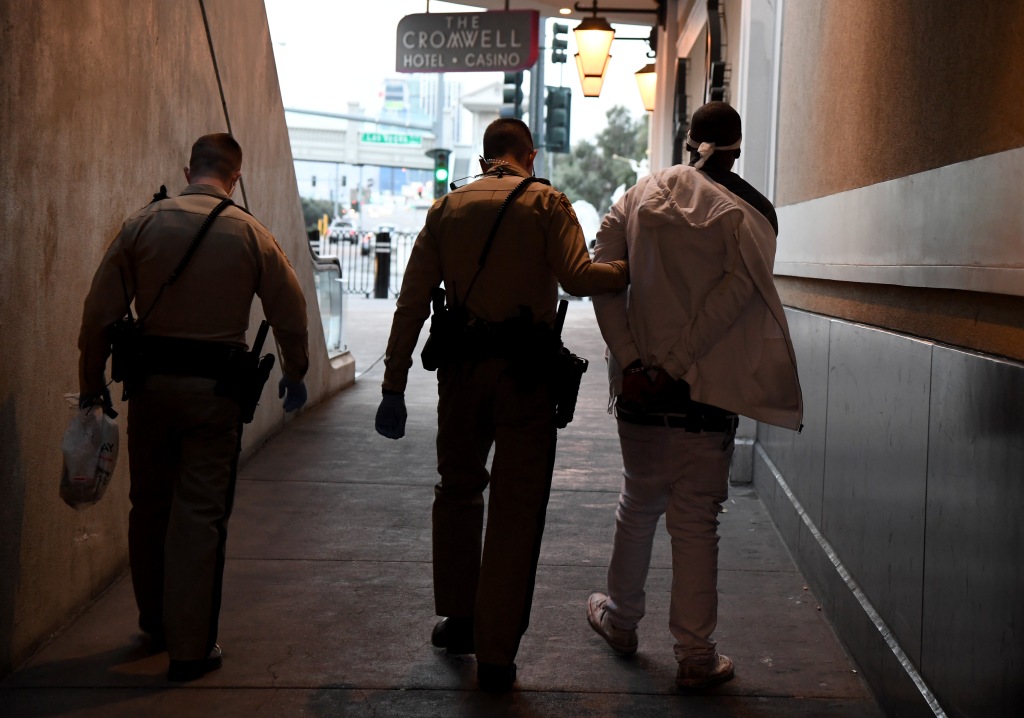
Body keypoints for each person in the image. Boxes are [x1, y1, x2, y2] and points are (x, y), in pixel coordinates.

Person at [374, 118, 629, 692]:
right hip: (525, 378)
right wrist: (629, 269)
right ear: (529, 155)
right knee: (516, 509)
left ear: (486, 155)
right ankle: (495, 654)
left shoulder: (447, 209)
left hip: (462, 375)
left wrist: (394, 384)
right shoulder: (546, 202)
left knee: (458, 489)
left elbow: (412, 301)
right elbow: (579, 276)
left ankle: (458, 619)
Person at [77, 133, 310, 681]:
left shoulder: (143, 223)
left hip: (151, 390)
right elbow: (290, 310)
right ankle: (189, 648)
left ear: (189, 169)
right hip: (216, 396)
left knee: (150, 505)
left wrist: (91, 383)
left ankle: (155, 622)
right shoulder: (252, 233)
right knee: (200, 515)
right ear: (236, 176)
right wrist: (295, 373)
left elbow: (99, 315)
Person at [586, 102, 803, 690]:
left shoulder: (635, 199)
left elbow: (599, 279)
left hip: (636, 395)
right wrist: (677, 365)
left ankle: (622, 620)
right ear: (737, 148)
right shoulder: (753, 215)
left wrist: (634, 361)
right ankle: (695, 656)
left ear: (688, 142)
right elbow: (735, 299)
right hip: (705, 397)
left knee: (638, 507)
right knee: (696, 522)